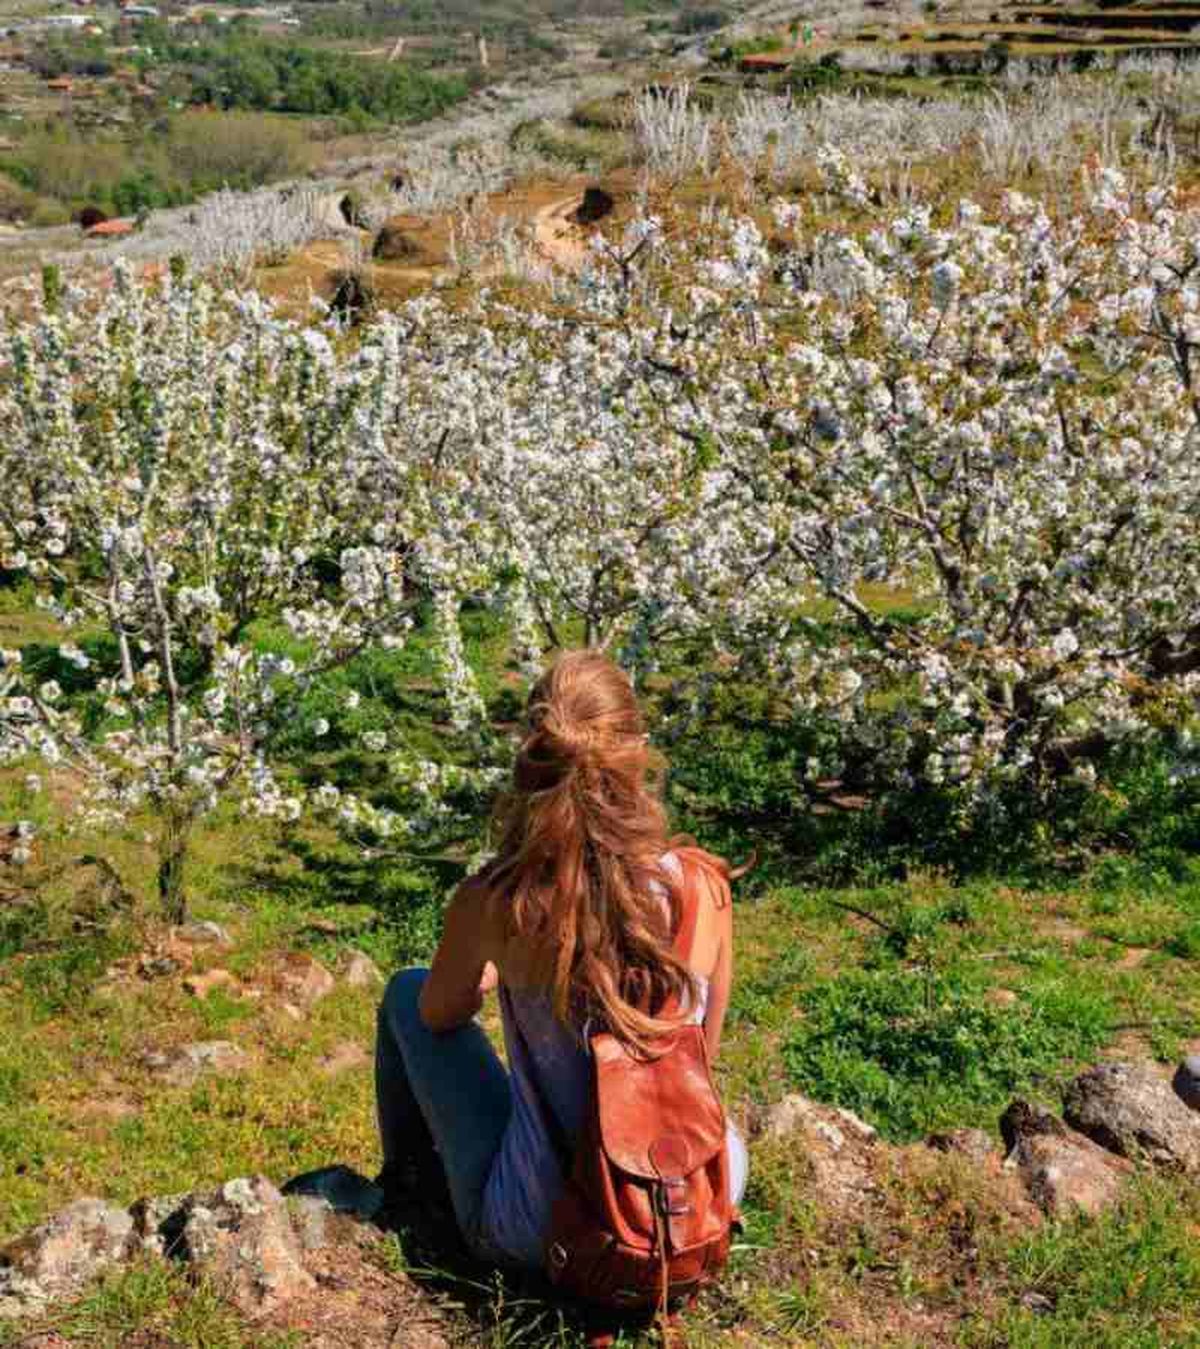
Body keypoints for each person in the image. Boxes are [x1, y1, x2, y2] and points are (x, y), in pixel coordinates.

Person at [374, 648, 749, 1270]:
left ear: (532, 752)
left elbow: (439, 1016)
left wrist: (495, 969)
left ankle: (410, 1194)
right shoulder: (701, 887)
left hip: (546, 1232)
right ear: (638, 748)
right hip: (696, 1198)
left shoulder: (497, 902)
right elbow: (700, 1057)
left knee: (405, 993)